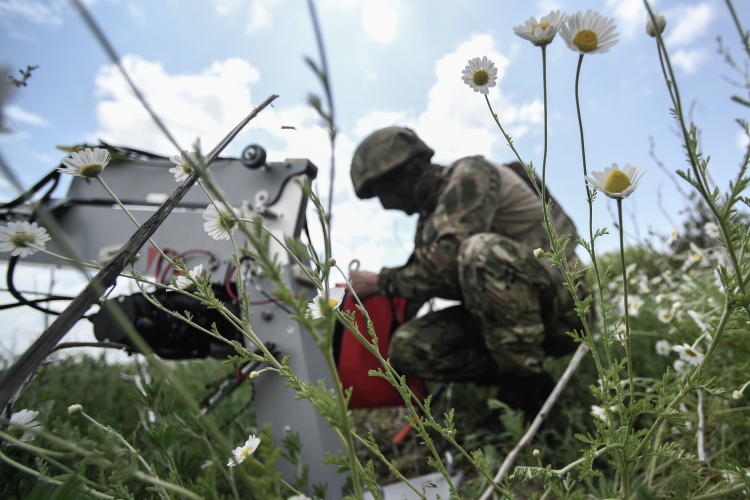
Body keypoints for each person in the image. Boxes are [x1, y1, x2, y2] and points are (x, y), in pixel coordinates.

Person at [348, 127, 587, 417]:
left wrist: (382, 281)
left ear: (408, 169)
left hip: (569, 309)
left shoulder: (471, 175)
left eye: (382, 191)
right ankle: (528, 381)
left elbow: (448, 262)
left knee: (480, 251)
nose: (386, 205)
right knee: (408, 347)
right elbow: (420, 283)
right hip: (513, 320)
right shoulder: (429, 224)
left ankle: (524, 394)